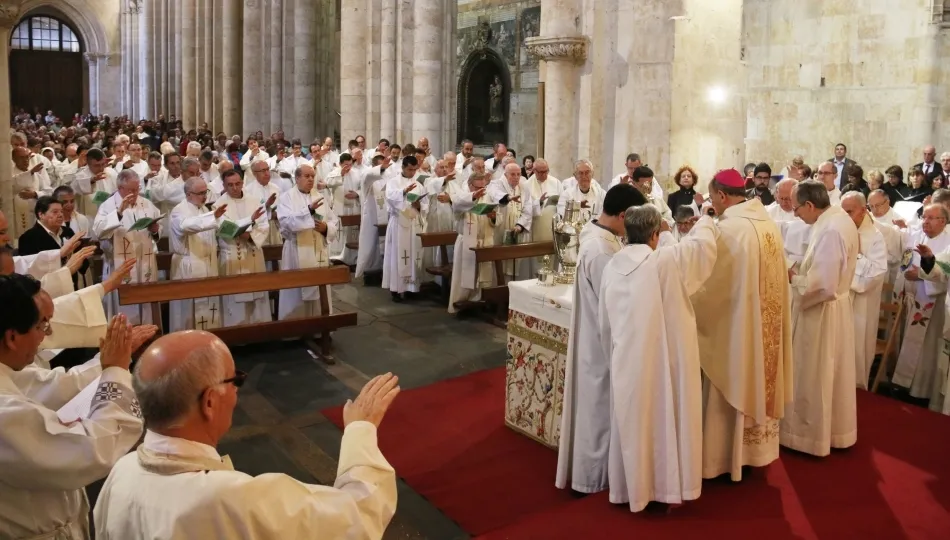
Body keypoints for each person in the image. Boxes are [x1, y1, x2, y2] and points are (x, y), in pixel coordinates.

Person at [93, 331, 399, 539]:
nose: (238, 392)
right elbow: (358, 516)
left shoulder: (121, 471)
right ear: (210, 401)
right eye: (236, 379)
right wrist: (361, 429)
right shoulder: (234, 500)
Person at [0, 278, 149, 540]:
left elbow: (50, 385)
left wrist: (107, 361)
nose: (46, 335)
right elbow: (95, 448)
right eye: (41, 325)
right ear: (12, 337)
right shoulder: (5, 414)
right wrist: (114, 370)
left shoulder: (8, 371)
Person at [598, 204, 718, 511]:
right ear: (655, 235)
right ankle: (662, 487)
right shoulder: (665, 261)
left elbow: (604, 323)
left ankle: (629, 489)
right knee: (661, 421)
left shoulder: (611, 266)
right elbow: (702, 249)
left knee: (632, 421)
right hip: (660, 362)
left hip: (625, 358)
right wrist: (706, 218)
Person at [691, 168, 793, 481]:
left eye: (713, 198)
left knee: (732, 377)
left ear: (722, 196)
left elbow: (709, 285)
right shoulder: (767, 223)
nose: (713, 204)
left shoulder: (728, 228)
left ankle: (723, 458)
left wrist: (686, 297)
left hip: (736, 328)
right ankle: (754, 455)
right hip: (766, 325)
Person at [556, 184, 646, 494]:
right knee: (598, 409)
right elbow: (617, 300)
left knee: (598, 405)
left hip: (596, 337)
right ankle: (591, 479)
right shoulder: (602, 250)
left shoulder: (598, 238)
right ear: (622, 215)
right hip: (601, 341)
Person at [780, 180, 859, 456]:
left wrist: (792, 277)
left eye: (798, 207)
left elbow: (822, 285)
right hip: (836, 310)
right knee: (832, 375)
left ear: (811, 205)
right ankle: (835, 431)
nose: (796, 214)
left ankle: (807, 436)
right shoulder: (836, 220)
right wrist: (802, 267)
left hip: (821, 313)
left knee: (814, 374)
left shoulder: (830, 230)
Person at [890, 204, 950, 410]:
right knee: (906, 340)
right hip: (910, 297)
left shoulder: (948, 241)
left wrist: (923, 271)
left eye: (932, 218)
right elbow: (906, 259)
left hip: (932, 303)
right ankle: (901, 383)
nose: (926, 221)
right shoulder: (917, 235)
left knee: (926, 348)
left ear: (943, 221)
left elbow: (943, 273)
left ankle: (921, 390)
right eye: (924, 217)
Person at [93, 169, 162, 325]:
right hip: (120, 262)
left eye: (137, 189)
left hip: (144, 263)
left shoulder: (146, 204)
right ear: (120, 188)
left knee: (145, 305)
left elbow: (159, 224)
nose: (136, 193)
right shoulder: (108, 205)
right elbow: (98, 230)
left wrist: (155, 229)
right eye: (131, 190)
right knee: (123, 311)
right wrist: (118, 213)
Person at [277, 164, 339, 319]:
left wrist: (326, 228)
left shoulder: (319, 196)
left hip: (317, 250)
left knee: (320, 289)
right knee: (295, 291)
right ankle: (295, 331)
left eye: (312, 175)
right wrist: (308, 210)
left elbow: (334, 221)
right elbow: (286, 223)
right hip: (296, 251)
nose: (311, 179)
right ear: (297, 178)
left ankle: (320, 327)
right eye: (307, 176)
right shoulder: (286, 198)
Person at [840, 192, 889, 389]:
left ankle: (855, 390)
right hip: (838, 301)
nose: (845, 217)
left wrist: (857, 254)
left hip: (861, 307)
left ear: (863, 211)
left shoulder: (875, 237)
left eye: (849, 212)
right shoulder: (839, 230)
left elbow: (873, 277)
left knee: (856, 350)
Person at [169, 176, 229, 332]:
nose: (205, 196)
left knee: (210, 309)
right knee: (189, 312)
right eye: (200, 193)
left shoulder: (203, 209)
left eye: (206, 192)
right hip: (189, 265)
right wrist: (212, 216)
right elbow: (186, 226)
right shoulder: (179, 211)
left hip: (208, 263)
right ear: (189, 194)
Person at [213, 170, 270, 326]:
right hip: (232, 255)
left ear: (242, 183)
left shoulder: (254, 201)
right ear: (224, 185)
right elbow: (223, 227)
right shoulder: (218, 205)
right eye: (230, 185)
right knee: (235, 299)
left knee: (257, 297)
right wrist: (249, 224)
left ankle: (258, 332)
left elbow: (264, 226)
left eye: (238, 183)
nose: (235, 188)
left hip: (253, 252)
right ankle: (236, 334)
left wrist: (250, 236)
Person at [447, 171, 497, 312]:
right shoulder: (461, 196)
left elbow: (496, 220)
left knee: (482, 275)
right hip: (467, 243)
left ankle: (480, 301)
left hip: (484, 241)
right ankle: (460, 303)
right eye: (477, 188)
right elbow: (456, 206)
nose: (481, 191)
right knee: (465, 276)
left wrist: (493, 217)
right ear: (470, 185)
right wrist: (473, 196)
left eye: (483, 188)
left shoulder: (488, 196)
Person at [382, 156, 428, 302]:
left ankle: (411, 288)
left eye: (415, 169)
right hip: (399, 224)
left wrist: (418, 206)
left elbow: (425, 204)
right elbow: (389, 198)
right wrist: (403, 192)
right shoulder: (393, 181)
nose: (412, 172)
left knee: (413, 255)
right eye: (409, 169)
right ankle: (396, 289)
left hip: (413, 224)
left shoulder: (418, 184)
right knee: (397, 255)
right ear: (403, 167)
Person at [489, 162, 538, 280]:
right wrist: (509, 197)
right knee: (501, 262)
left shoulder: (524, 187)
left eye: (518, 174)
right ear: (505, 175)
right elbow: (496, 195)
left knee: (516, 263)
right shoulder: (495, 184)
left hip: (517, 230)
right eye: (512, 174)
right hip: (500, 229)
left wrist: (520, 225)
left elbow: (528, 208)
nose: (516, 177)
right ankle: (500, 290)